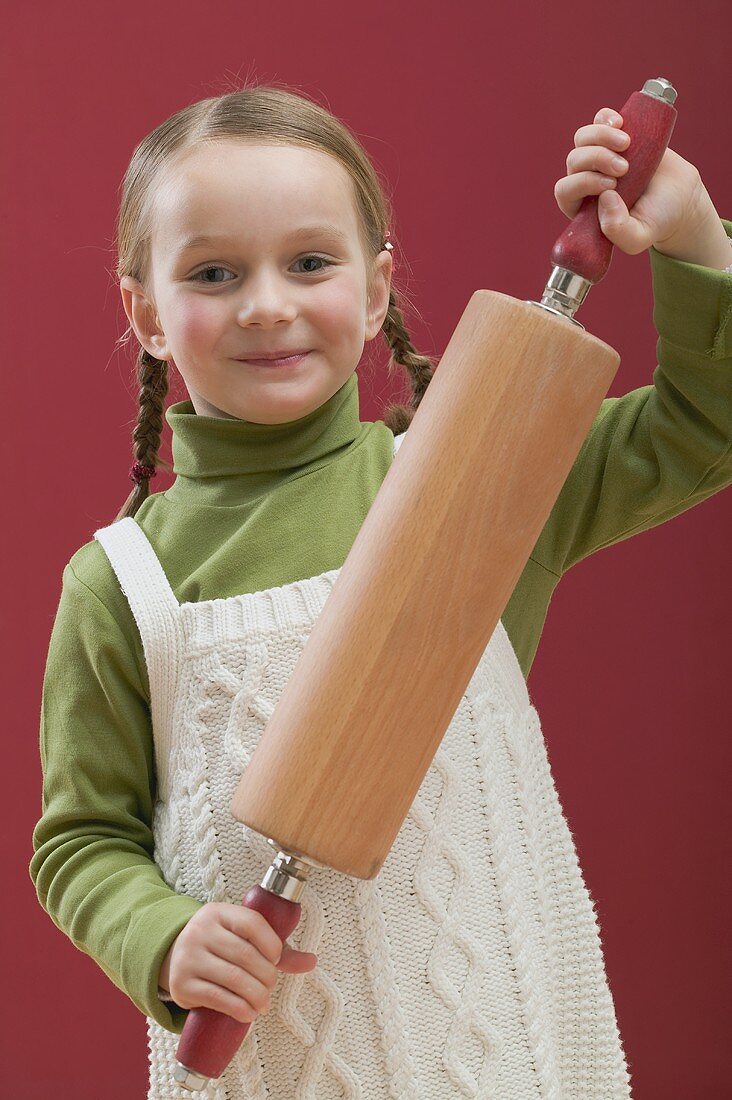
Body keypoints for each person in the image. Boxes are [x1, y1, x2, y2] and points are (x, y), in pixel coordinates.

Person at [29, 83, 732, 1099]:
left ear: (374, 291)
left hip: (503, 1048)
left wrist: (692, 233)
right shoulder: (120, 584)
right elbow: (81, 840)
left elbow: (703, 429)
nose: (267, 302)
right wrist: (164, 936)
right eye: (216, 271)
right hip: (277, 1069)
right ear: (146, 312)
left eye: (309, 263)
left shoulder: (477, 476)